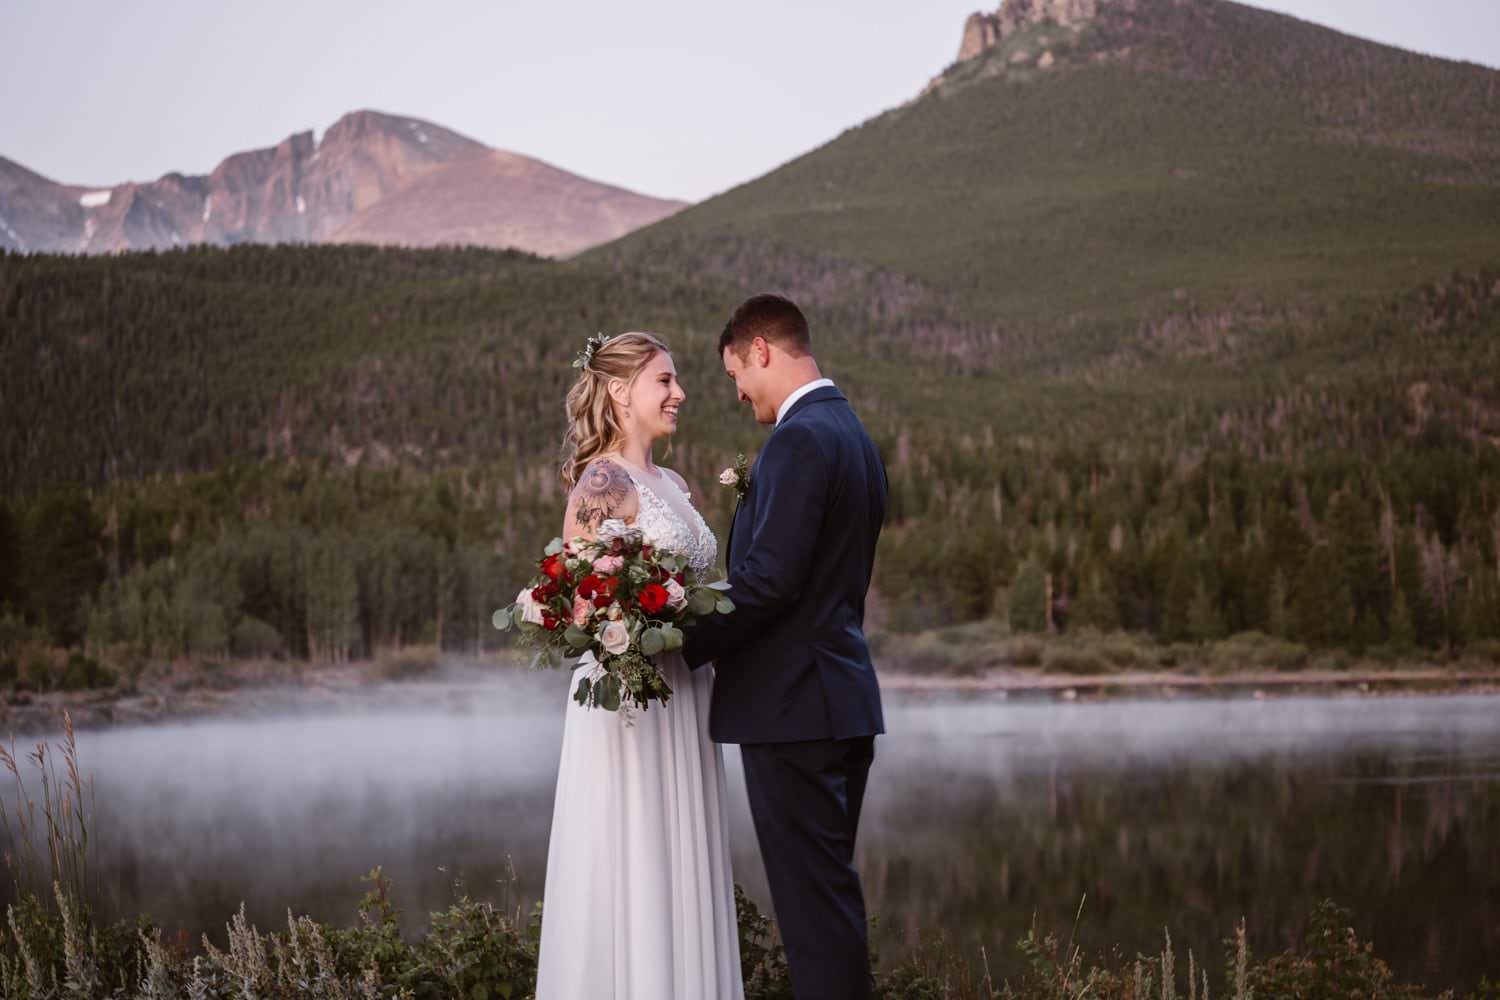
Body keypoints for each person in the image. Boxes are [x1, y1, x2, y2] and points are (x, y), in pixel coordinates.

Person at [685, 294, 888, 1000]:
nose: (738, 391)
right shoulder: (852, 432)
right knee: (829, 903)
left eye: (735, 371)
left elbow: (768, 582)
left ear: (761, 350)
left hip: (793, 710)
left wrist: (672, 642)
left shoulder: (801, 440)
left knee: (814, 915)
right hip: (839, 702)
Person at [534, 331, 744, 1000]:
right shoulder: (603, 480)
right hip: (632, 700)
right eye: (665, 380)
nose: (679, 393)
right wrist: (630, 623)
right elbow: (580, 598)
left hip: (685, 692)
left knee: (682, 862)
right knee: (637, 858)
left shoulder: (673, 483)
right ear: (621, 392)